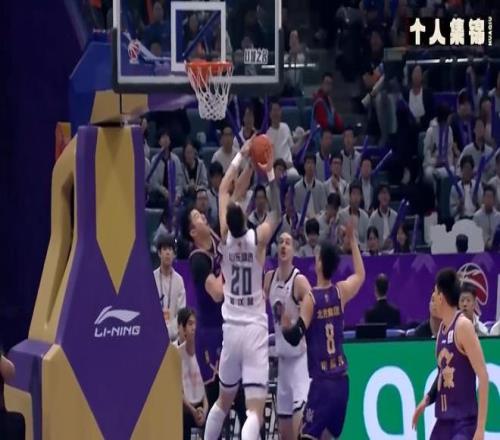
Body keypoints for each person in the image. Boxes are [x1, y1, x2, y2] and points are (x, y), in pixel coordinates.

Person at [204, 137, 281, 440]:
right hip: (255, 330)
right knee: (254, 412)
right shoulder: (257, 240)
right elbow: (276, 213)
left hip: (231, 328)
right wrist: (269, 171)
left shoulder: (223, 237)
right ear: (246, 219)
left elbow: (224, 188)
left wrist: (242, 154)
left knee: (222, 403)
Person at [282, 222, 365, 440]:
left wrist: (284, 326)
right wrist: (353, 242)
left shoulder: (311, 299)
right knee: (327, 437)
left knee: (305, 436)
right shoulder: (340, 292)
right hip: (342, 383)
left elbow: (295, 337)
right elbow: (360, 275)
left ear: (319, 264)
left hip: (323, 383)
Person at [412, 268, 489, 440]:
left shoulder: (463, 326)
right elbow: (442, 372)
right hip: (444, 422)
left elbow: (483, 376)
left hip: (464, 421)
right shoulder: (442, 329)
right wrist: (427, 399)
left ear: (441, 297)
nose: (432, 297)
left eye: (434, 292)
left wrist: (480, 428)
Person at [263, 232, 313, 440]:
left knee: (299, 432)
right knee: (284, 436)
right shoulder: (269, 278)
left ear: (293, 251)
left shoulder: (299, 281)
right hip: (282, 363)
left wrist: (296, 324)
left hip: (299, 363)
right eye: (280, 242)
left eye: (288, 243)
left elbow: (313, 308)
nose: (283, 245)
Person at [177, 308, 209, 440]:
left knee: (213, 419)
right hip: (184, 408)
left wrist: (204, 411)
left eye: (195, 324)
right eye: (190, 324)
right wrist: (193, 411)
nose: (194, 328)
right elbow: (177, 392)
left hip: (200, 406)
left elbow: (205, 387)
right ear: (181, 328)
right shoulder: (175, 354)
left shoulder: (202, 353)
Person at [153, 235, 186, 341]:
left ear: (174, 254)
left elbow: (181, 312)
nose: (167, 253)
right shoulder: (152, 279)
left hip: (174, 337)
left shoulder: (179, 280)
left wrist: (170, 332)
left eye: (170, 249)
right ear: (159, 253)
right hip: (154, 334)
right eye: (164, 249)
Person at [266, 100, 303, 179]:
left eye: (278, 110)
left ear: (281, 112)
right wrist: (283, 165)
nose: (276, 113)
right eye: (274, 110)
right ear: (270, 114)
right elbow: (270, 161)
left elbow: (293, 149)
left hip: (290, 168)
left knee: (295, 176)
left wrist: (303, 139)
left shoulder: (285, 127)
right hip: (277, 169)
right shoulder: (267, 135)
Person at [148, 129, 184, 208]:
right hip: (160, 194)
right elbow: (154, 183)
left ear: (170, 141)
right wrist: (165, 192)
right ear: (159, 142)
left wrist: (177, 196)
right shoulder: (155, 160)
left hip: (174, 193)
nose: (165, 140)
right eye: (163, 137)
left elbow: (179, 181)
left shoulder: (175, 159)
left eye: (167, 137)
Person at [459, 119, 495, 184]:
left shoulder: (490, 151)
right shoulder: (467, 150)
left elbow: (494, 171)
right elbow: (459, 168)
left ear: (484, 130)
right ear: (474, 130)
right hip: (471, 184)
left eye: (481, 127)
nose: (479, 129)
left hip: (487, 185)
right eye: (478, 127)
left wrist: (488, 170)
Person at [293, 153, 328, 219]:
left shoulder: (321, 186)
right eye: (308, 163)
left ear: (315, 166)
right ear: (304, 166)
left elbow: (324, 208)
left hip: (318, 220)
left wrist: (317, 217)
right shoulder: (297, 187)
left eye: (312, 163)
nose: (310, 166)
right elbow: (296, 209)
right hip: (302, 220)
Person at [338, 181, 369, 250]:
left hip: (361, 252)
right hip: (346, 251)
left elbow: (367, 242)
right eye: (354, 193)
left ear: (361, 197)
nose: (356, 197)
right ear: (349, 196)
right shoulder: (342, 215)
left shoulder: (365, 217)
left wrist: (358, 246)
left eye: (358, 194)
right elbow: (340, 240)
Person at [450, 155, 482, 221]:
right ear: (461, 170)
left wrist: (477, 204)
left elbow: (483, 210)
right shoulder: (454, 188)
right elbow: (451, 213)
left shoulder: (478, 186)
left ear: (472, 171)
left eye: (469, 169)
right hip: (461, 220)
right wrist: (459, 206)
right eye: (465, 169)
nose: (467, 172)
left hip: (475, 219)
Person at [404, 64, 434, 132]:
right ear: (411, 75)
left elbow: (431, 114)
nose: (417, 75)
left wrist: (420, 120)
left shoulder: (428, 93)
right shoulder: (406, 93)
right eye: (415, 73)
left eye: (419, 73)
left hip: (424, 127)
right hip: (408, 128)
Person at [368, 184, 397, 251]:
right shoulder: (373, 217)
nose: (384, 196)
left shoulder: (395, 216)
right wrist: (382, 246)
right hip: (378, 253)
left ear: (389, 196)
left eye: (386, 193)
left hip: (394, 252)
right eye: (382, 193)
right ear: (378, 197)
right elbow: (369, 241)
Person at [473, 185, 500, 250]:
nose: (489, 199)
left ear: (494, 200)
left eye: (491, 197)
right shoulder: (477, 216)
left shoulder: (498, 216)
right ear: (483, 199)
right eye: (487, 197)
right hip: (481, 249)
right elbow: (475, 236)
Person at [450, 90, 475, 155]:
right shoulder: (453, 121)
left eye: (468, 104)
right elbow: (452, 141)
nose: (466, 107)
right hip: (458, 155)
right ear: (458, 106)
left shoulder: (474, 121)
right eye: (463, 104)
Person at [207, 161, 223, 229]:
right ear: (210, 179)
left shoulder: (227, 194)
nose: (216, 180)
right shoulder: (207, 195)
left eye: (218, 176)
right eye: (213, 177)